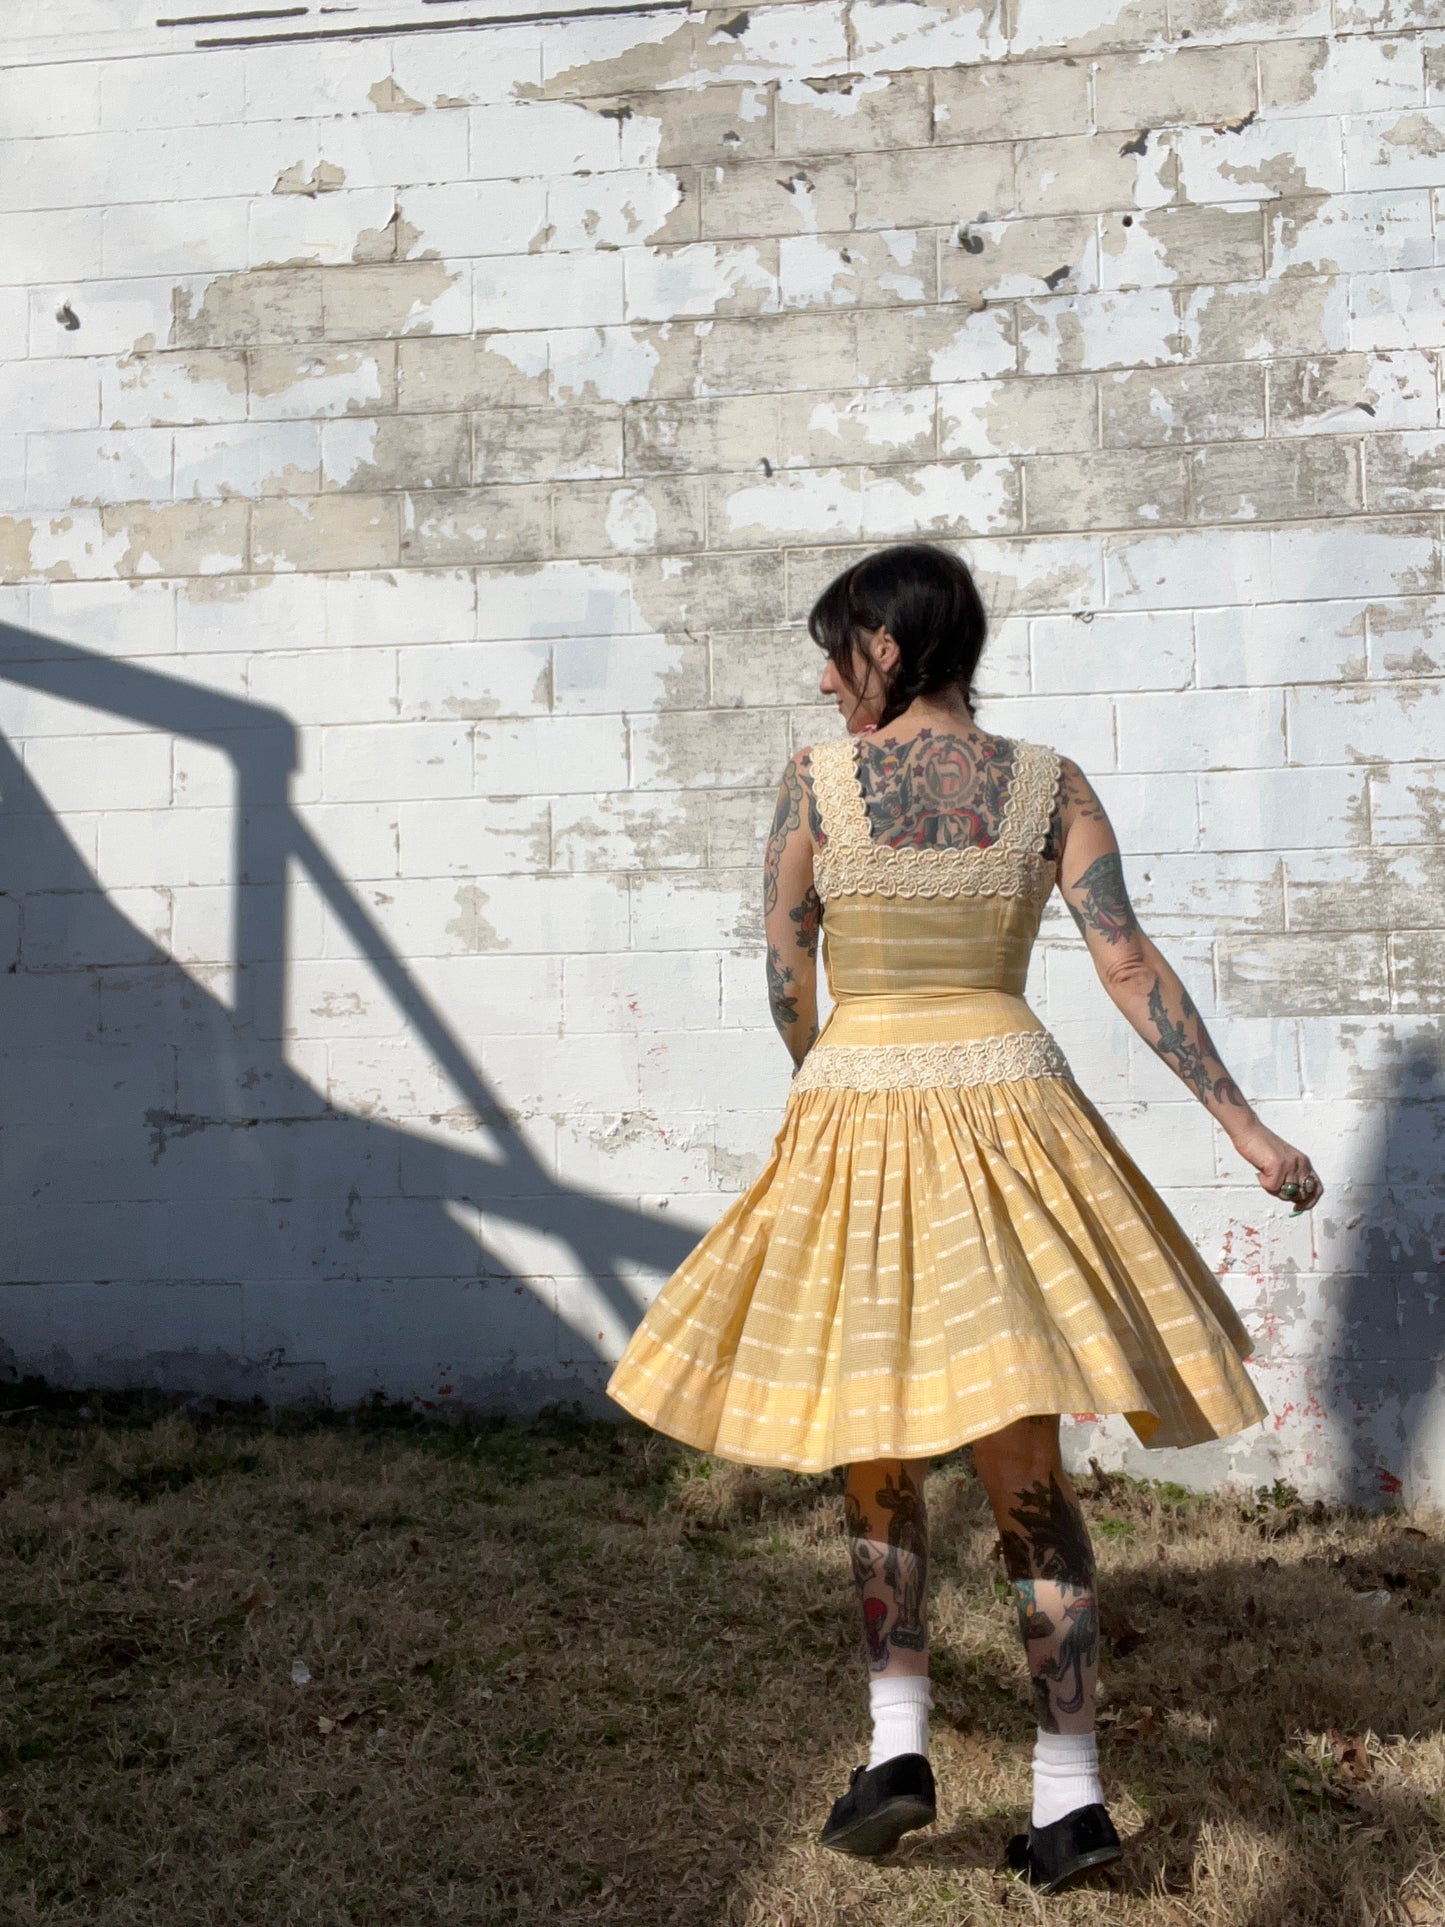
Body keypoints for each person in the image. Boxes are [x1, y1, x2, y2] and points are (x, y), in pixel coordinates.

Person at [606, 541, 1322, 1895]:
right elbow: (1124, 956)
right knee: (1026, 1471)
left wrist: (822, 1078)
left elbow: (783, 964)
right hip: (1013, 1109)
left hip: (862, 1106)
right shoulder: (1049, 786)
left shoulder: (817, 784)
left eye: (837, 652)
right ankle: (1070, 1796)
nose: (825, 682)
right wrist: (1239, 1124)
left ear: (886, 643)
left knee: (869, 1445)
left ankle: (896, 1751)